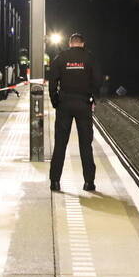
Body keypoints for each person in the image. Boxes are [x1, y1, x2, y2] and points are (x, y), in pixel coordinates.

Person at [48, 33, 101, 192]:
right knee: (86, 144)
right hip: (83, 103)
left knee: (60, 144)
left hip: (64, 103)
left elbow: (52, 82)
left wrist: (55, 101)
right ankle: (89, 183)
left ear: (70, 43)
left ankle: (55, 182)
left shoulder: (61, 58)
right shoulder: (90, 58)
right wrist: (92, 95)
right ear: (83, 44)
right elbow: (98, 80)